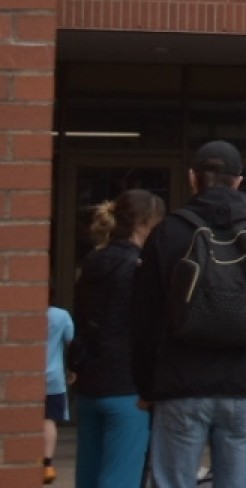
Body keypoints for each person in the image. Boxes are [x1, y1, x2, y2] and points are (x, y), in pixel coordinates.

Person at [132, 140, 246, 488]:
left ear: (192, 178)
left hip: (179, 381)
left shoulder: (168, 233)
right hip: (243, 382)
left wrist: (146, 384)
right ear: (239, 181)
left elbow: (143, 319)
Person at [72, 189, 166, 488]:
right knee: (121, 479)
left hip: (89, 385)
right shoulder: (141, 267)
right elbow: (147, 330)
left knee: (88, 477)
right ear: (145, 224)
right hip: (128, 388)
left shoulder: (92, 262)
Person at [45, 303, 73, 485]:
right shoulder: (61, 315)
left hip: (25, 375)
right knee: (48, 420)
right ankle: (47, 463)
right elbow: (71, 340)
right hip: (53, 377)